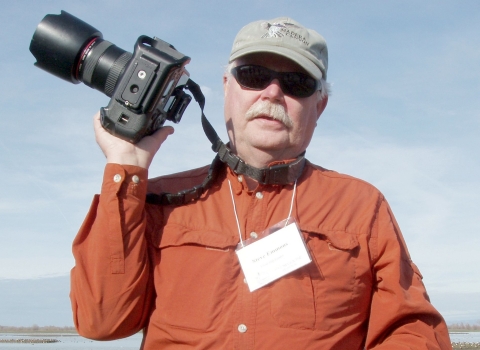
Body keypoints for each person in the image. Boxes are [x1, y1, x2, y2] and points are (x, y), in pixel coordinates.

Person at [70, 17, 452, 349]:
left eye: (296, 83)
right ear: (226, 87)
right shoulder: (155, 199)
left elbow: (411, 329)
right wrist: (125, 168)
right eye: (253, 76)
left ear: (319, 105)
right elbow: (102, 322)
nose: (272, 92)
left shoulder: (361, 206)